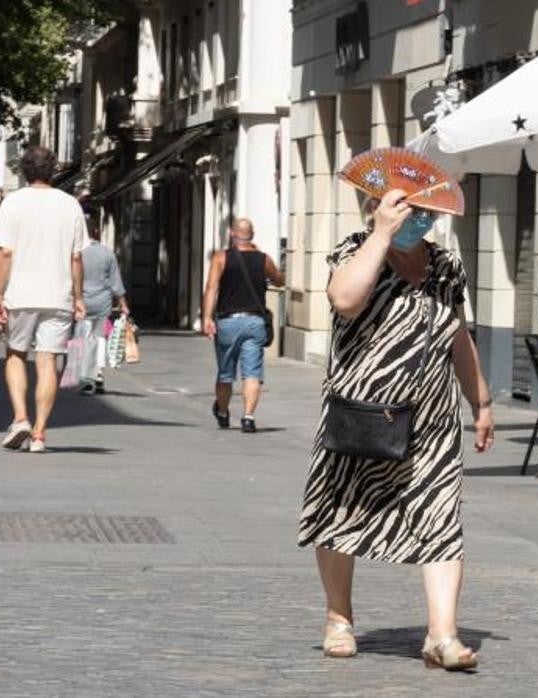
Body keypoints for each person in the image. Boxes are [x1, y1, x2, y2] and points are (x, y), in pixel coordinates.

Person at [298, 189, 494, 671]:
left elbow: (458, 334)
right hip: (361, 410)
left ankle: (442, 635)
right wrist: (382, 235)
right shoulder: (354, 249)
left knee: (441, 515)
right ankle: (338, 617)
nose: (417, 219)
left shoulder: (446, 265)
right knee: (341, 509)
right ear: (375, 207)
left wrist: (481, 400)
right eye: (406, 209)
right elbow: (344, 299)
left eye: (425, 211)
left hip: (430, 417)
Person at [0, 146, 87, 454]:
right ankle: (41, 433)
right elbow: (76, 257)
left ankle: (20, 418)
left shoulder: (13, 203)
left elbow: (5, 252)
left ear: (24, 171)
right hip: (58, 295)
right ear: (53, 170)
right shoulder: (70, 204)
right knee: (48, 361)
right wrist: (79, 296)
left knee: (16, 354)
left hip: (21, 294)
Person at [201, 217, 283, 433]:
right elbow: (279, 280)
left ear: (232, 234)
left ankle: (223, 412)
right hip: (254, 321)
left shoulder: (221, 257)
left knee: (225, 373)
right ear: (252, 235)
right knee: (252, 373)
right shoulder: (263, 259)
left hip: (227, 322)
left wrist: (207, 318)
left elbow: (211, 288)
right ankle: (248, 417)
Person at [77, 223, 129, 395]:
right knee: (100, 338)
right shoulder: (107, 254)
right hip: (102, 302)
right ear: (97, 233)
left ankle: (87, 378)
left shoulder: (77, 254)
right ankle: (98, 372)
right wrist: (123, 303)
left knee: (85, 338)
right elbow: (116, 282)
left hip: (82, 301)